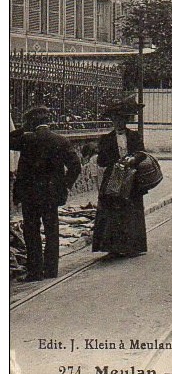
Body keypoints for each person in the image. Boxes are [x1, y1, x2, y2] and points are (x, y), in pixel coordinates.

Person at [10, 106, 81, 280]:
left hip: (30, 194)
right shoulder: (61, 141)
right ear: (48, 122)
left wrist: (23, 129)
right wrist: (65, 185)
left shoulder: (26, 140)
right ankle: (51, 271)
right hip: (51, 194)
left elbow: (8, 140)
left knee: (31, 231)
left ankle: (35, 272)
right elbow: (75, 166)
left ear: (32, 122)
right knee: (51, 230)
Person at [92, 98, 148, 258]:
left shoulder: (134, 136)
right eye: (115, 119)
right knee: (112, 211)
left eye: (122, 119)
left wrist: (132, 159)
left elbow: (142, 153)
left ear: (126, 120)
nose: (119, 122)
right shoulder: (106, 139)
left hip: (131, 177)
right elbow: (101, 161)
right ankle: (112, 247)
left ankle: (133, 246)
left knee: (132, 210)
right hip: (113, 178)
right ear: (112, 120)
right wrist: (113, 161)